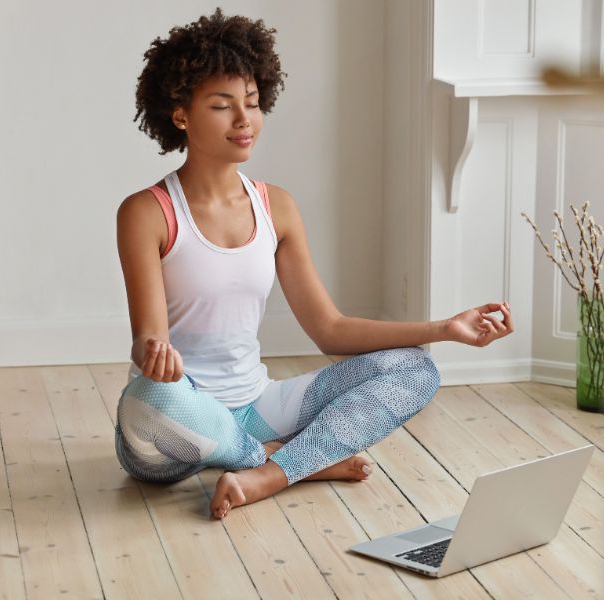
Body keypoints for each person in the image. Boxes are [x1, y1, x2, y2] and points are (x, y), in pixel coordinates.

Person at [116, 8, 514, 520]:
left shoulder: (275, 206)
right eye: (222, 106)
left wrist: (446, 328)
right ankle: (296, 461)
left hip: (256, 407)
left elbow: (330, 330)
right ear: (180, 115)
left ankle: (266, 474)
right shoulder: (146, 212)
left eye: (253, 104)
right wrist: (153, 352)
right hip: (175, 419)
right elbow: (147, 338)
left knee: (416, 368)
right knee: (149, 396)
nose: (244, 120)